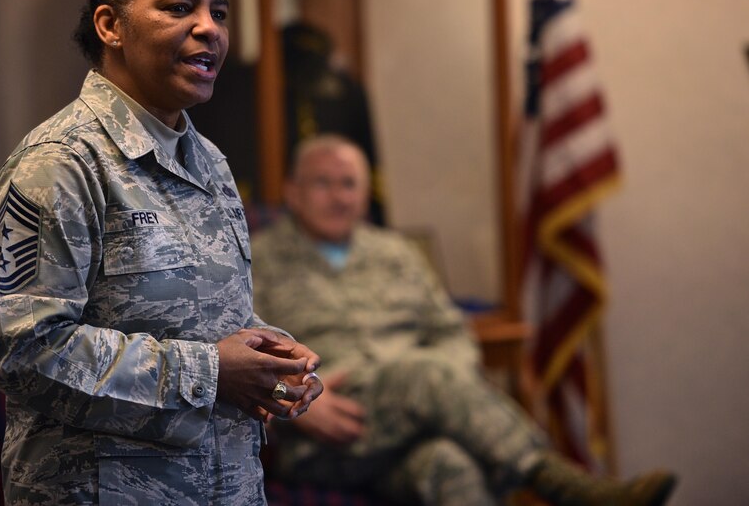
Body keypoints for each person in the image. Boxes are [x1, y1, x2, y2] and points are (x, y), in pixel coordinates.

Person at [0, 0, 322, 505]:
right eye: (179, 7)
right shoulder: (60, 163)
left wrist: (268, 358)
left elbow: (198, 314)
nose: (210, 28)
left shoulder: (208, 160)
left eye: (220, 11)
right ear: (111, 26)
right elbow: (21, 351)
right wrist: (210, 371)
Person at [251, 134, 676, 506]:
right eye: (322, 183)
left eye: (349, 184)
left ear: (365, 194)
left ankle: (541, 473)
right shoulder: (258, 259)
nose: (339, 196)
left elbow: (450, 332)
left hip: (422, 416)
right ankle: (560, 483)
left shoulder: (396, 254)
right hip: (324, 432)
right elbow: (245, 348)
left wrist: (444, 394)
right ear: (292, 192)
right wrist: (288, 396)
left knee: (451, 467)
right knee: (424, 375)